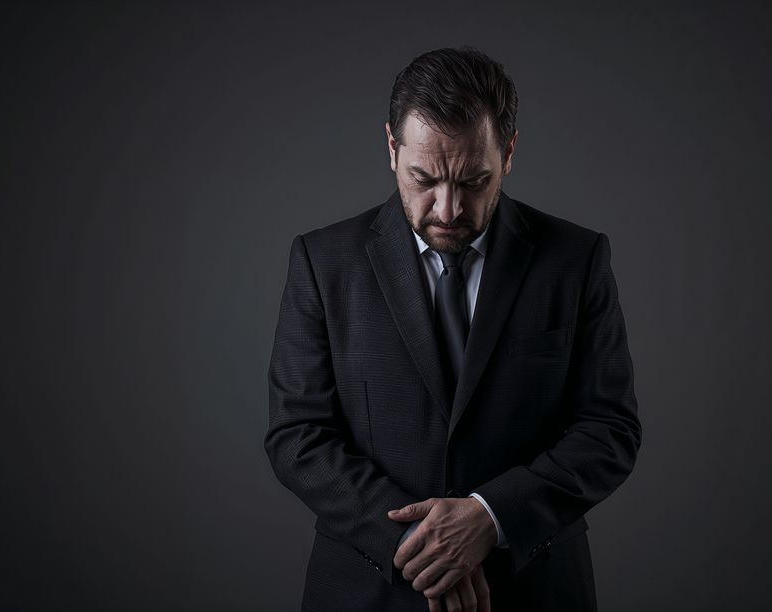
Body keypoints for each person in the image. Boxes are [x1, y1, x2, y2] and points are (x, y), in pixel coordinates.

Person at [264, 45, 642, 612]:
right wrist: (419, 544)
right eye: (424, 179)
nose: (447, 208)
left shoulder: (577, 259)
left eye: (473, 181)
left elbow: (609, 428)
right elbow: (297, 435)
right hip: (369, 591)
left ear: (508, 152)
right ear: (391, 148)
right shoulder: (323, 262)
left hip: (533, 590)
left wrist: (492, 517)